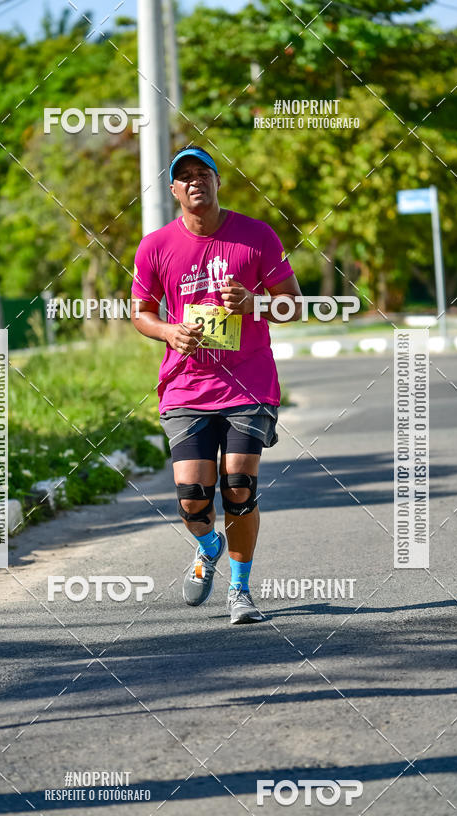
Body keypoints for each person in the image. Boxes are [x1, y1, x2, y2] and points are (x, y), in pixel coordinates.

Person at [131, 146, 300, 625]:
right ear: (173, 190)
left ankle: (241, 591)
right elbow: (141, 313)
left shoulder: (256, 236)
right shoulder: (155, 246)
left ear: (217, 180)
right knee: (193, 500)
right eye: (183, 176)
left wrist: (254, 304)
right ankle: (209, 546)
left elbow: (293, 305)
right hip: (186, 386)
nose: (193, 181)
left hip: (248, 383)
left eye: (201, 172)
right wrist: (168, 331)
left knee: (239, 486)